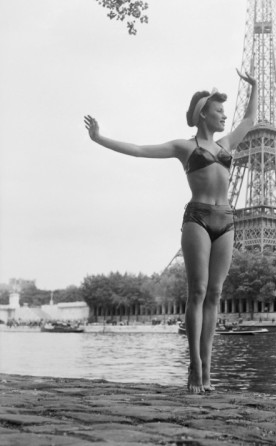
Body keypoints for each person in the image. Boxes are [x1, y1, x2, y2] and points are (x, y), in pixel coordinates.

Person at [84, 69, 257, 394]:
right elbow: (138, 149)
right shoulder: (184, 146)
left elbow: (249, 120)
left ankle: (208, 372)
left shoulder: (226, 143)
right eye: (219, 111)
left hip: (227, 219)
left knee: (215, 295)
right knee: (198, 291)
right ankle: (195, 368)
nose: (224, 116)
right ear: (203, 113)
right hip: (199, 218)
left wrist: (256, 87)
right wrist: (100, 138)